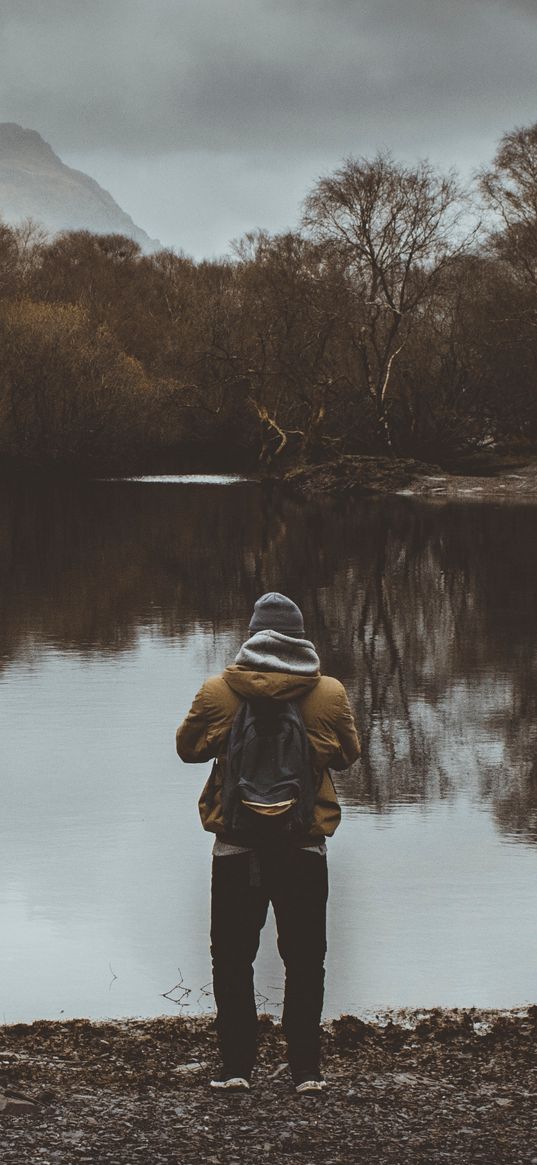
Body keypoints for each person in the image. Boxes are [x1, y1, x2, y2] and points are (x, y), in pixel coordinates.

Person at [176, 592, 360, 1094]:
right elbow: (348, 755)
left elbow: (187, 749)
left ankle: (235, 1069)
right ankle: (306, 1072)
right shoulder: (328, 693)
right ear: (300, 637)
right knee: (305, 959)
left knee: (232, 959)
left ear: (252, 635)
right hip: (303, 847)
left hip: (237, 847)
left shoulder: (220, 691)